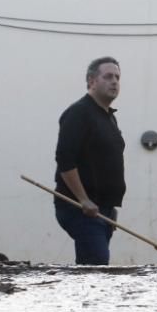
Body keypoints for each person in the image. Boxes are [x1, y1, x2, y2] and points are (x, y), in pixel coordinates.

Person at [54, 57, 125, 265]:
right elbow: (65, 159)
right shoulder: (78, 113)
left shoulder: (109, 117)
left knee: (96, 267)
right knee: (95, 268)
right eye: (108, 76)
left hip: (103, 211)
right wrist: (83, 199)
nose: (114, 82)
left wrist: (110, 208)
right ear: (91, 81)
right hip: (79, 208)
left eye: (118, 77)